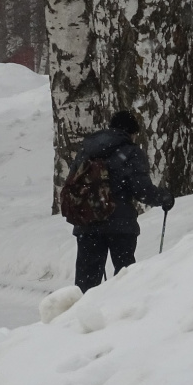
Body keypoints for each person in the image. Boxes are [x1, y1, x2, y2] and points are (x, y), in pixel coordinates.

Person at [70, 110, 174, 292]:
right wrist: (164, 198)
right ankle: (122, 315)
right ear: (131, 132)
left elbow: (71, 182)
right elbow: (142, 190)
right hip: (120, 224)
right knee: (125, 278)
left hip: (88, 222)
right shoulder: (131, 152)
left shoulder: (87, 150)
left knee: (86, 283)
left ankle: (79, 316)